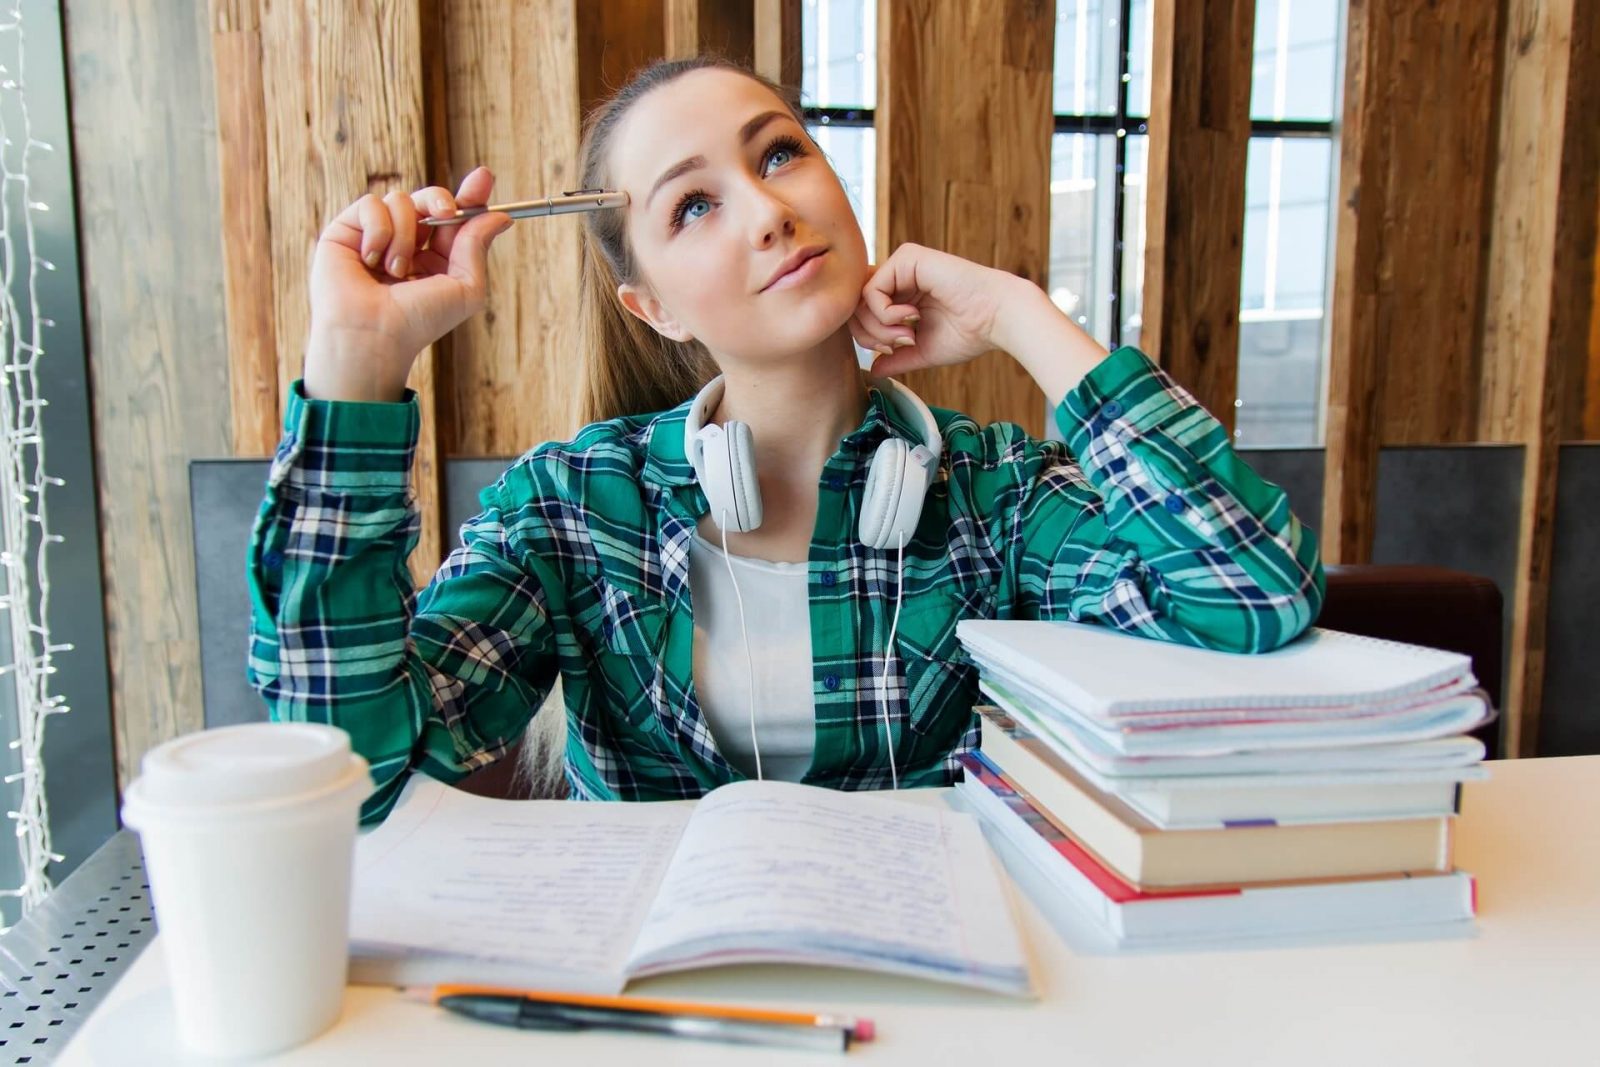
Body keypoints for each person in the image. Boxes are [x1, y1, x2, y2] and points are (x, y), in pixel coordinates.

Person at [247, 56, 1325, 826]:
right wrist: (355, 358)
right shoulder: (573, 508)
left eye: (780, 155)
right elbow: (349, 770)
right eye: (695, 208)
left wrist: (1019, 317)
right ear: (652, 307)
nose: (766, 209)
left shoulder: (995, 491)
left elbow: (1248, 595)